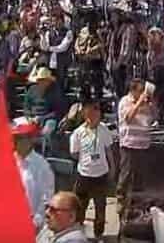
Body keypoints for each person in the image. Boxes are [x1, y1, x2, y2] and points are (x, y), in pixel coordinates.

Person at [69, 101, 113, 241]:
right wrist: (86, 158)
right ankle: (78, 235)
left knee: (100, 208)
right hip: (84, 175)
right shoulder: (78, 132)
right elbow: (74, 153)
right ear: (85, 114)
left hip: (101, 175)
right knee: (80, 207)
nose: (94, 115)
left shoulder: (104, 129)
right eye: (90, 112)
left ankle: (98, 235)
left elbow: (108, 150)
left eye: (96, 111)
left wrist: (112, 168)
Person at [117, 79, 155, 216]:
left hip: (143, 145)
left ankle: (137, 205)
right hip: (129, 144)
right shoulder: (125, 101)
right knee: (126, 175)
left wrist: (151, 104)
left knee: (140, 178)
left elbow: (155, 117)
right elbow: (128, 118)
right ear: (133, 91)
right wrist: (139, 103)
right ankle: (121, 201)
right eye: (140, 91)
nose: (143, 93)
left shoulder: (146, 104)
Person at [13, 119, 55, 228]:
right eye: (14, 138)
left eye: (19, 138)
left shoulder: (41, 166)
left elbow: (47, 197)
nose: (15, 141)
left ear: (31, 139)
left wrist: (36, 222)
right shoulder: (8, 161)